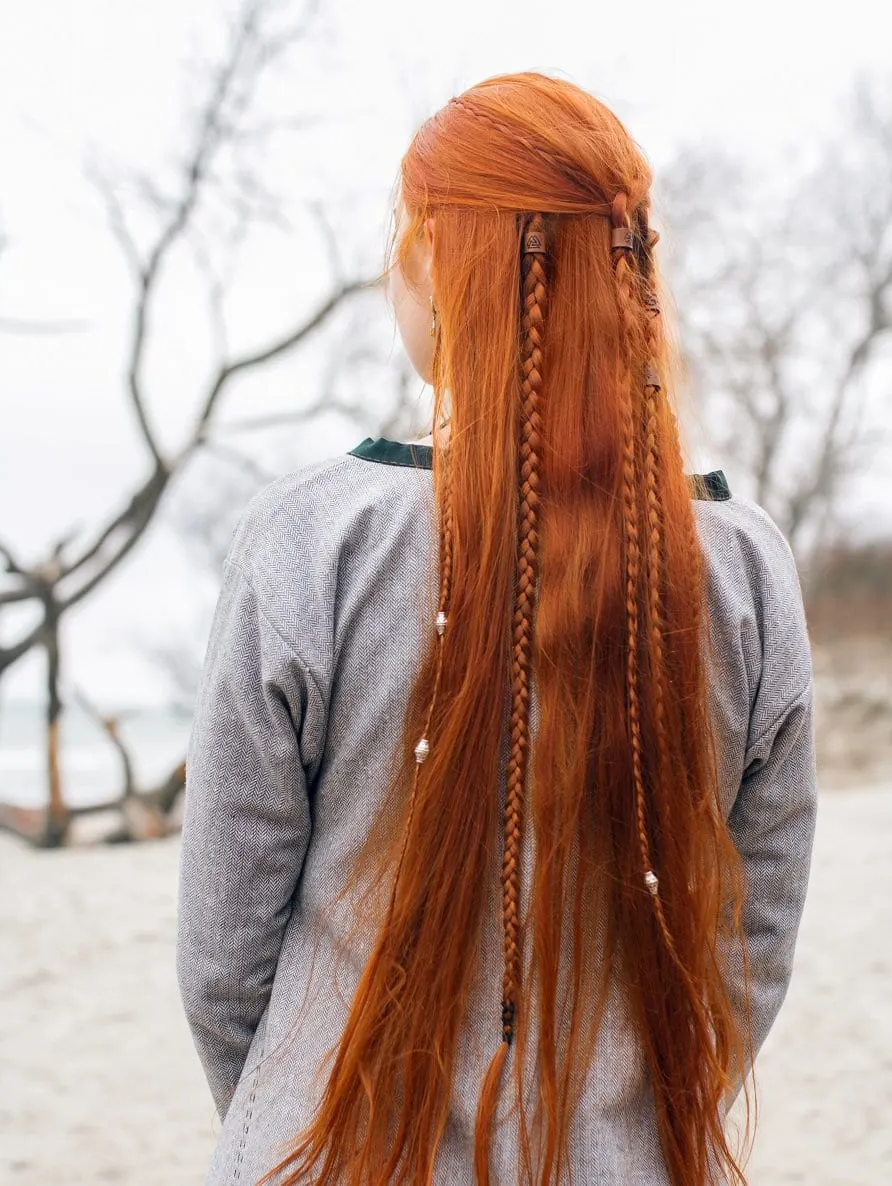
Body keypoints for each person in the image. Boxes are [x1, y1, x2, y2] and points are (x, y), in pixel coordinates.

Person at [176, 72, 817, 1186]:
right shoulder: (745, 567)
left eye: (402, 238)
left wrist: (294, 1105)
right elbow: (749, 949)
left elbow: (222, 959)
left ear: (438, 257)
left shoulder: (315, 540)